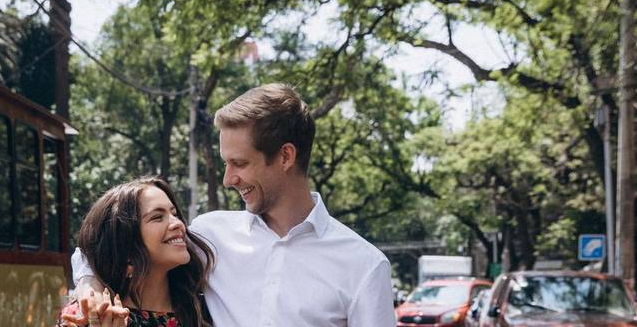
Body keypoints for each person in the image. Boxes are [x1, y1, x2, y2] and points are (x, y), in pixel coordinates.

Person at [72, 83, 396, 326]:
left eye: (239, 163)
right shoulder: (210, 235)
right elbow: (105, 245)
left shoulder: (364, 267)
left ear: (285, 156)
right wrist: (89, 287)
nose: (228, 179)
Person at [62, 177, 214, 327]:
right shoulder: (90, 315)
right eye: (157, 217)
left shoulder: (206, 310)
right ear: (125, 242)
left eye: (174, 214)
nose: (178, 223)